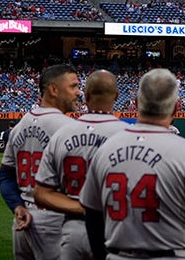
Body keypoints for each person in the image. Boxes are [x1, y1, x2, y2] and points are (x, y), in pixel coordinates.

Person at [79, 69, 185, 260]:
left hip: (119, 255)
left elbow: (92, 215)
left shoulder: (107, 148)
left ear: (136, 103)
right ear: (176, 108)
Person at [34, 70, 127, 260]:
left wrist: (83, 207)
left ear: (86, 96)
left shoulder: (62, 133)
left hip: (72, 232)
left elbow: (41, 194)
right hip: (114, 229)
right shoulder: (128, 135)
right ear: (117, 96)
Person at [0, 64, 81, 260]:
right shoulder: (70, 129)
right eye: (73, 86)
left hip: (23, 218)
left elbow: (5, 176)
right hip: (55, 219)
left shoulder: (20, 125)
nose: (79, 92)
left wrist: (17, 206)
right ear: (53, 90)